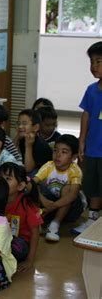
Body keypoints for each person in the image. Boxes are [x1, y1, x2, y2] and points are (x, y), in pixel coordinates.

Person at [73, 41, 102, 234]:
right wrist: (81, 141)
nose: (93, 67)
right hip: (93, 147)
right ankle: (92, 218)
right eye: (91, 62)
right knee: (92, 183)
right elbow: (86, 115)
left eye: (99, 61)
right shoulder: (92, 90)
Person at [34, 134, 83, 242]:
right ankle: (37, 221)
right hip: (51, 205)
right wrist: (44, 200)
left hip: (72, 209)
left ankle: (54, 226)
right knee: (35, 186)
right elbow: (31, 184)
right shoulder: (49, 166)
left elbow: (73, 195)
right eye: (55, 150)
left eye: (64, 152)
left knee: (67, 189)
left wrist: (52, 206)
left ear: (74, 157)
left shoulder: (75, 170)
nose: (58, 155)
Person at [0, 162, 43, 272]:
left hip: (19, 241)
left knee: (11, 247)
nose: (2, 182)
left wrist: (30, 260)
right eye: (0, 178)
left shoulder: (26, 204)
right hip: (0, 237)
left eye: (8, 178)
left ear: (20, 186)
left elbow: (35, 233)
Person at [14, 109, 52, 174]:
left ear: (36, 127)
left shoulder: (41, 145)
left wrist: (28, 146)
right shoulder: (23, 138)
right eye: (18, 123)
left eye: (24, 124)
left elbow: (29, 169)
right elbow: (10, 153)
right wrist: (17, 138)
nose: (20, 126)